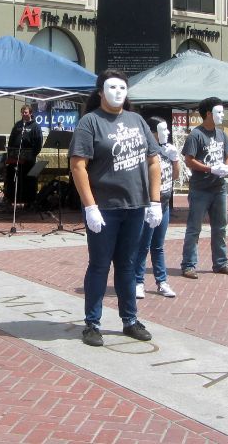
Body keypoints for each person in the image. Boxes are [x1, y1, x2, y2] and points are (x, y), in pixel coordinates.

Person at [69, 69, 162, 347]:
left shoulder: (137, 120)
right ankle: (92, 323)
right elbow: (78, 165)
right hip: (105, 208)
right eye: (112, 87)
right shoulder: (90, 122)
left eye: (122, 88)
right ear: (100, 92)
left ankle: (130, 320)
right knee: (99, 265)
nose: (118, 92)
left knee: (128, 265)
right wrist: (90, 207)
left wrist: (155, 201)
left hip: (135, 207)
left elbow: (154, 160)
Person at [180, 96, 228, 279]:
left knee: (220, 226)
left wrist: (226, 167)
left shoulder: (222, 134)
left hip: (219, 187)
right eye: (219, 112)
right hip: (200, 189)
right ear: (208, 114)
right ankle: (188, 265)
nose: (222, 115)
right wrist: (210, 168)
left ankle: (220, 263)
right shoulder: (196, 135)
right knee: (194, 228)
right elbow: (188, 160)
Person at [134, 117, 179, 299]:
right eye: (162, 129)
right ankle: (138, 281)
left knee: (158, 246)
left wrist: (175, 159)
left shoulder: (167, 150)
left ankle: (162, 281)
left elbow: (174, 176)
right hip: (149, 205)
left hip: (165, 203)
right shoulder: (147, 151)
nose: (167, 133)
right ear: (152, 132)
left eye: (167, 130)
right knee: (143, 245)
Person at [4, 104, 43, 207]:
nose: (24, 114)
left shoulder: (35, 127)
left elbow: (39, 144)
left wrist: (32, 155)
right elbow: (11, 140)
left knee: (29, 180)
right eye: (22, 112)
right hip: (16, 157)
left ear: (30, 113)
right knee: (12, 177)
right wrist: (11, 153)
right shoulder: (17, 125)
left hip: (29, 159)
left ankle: (29, 201)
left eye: (26, 112)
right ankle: (11, 198)